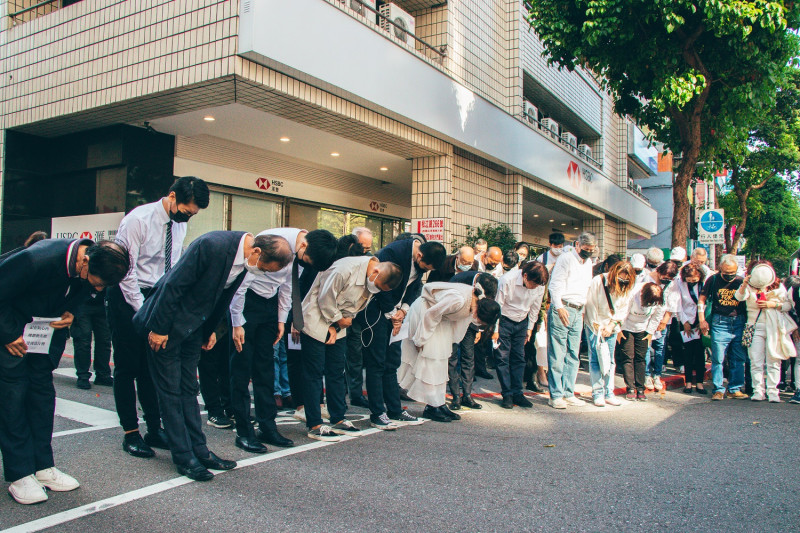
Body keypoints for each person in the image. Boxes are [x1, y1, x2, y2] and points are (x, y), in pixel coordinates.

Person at [133, 231, 293, 480]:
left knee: (188, 389)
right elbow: (173, 285)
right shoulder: (212, 245)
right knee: (171, 393)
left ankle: (200, 450)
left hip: (193, 327)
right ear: (257, 252)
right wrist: (160, 328)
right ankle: (184, 456)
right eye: (263, 268)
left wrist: (210, 331)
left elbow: (222, 298)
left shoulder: (245, 261)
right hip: (165, 325)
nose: (260, 272)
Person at [0, 239, 130, 505]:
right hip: (12, 334)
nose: (98, 289)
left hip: (43, 336)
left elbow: (81, 292)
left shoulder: (93, 264)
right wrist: (8, 333)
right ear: (84, 262)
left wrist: (71, 311)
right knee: (12, 401)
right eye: (96, 282)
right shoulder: (35, 260)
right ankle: (20, 474)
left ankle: (42, 466)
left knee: (42, 399)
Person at [108, 176, 209, 459]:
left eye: (192, 214)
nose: (187, 217)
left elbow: (173, 267)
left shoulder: (179, 224)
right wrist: (146, 315)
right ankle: (130, 433)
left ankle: (155, 429)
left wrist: (166, 306)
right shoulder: (137, 220)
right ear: (172, 196)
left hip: (157, 295)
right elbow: (125, 273)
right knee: (128, 368)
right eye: (187, 210)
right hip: (127, 296)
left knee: (152, 367)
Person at [229, 229, 337, 453]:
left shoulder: (303, 253)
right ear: (304, 247)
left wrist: (281, 320)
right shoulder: (271, 240)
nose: (305, 264)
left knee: (265, 368)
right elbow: (240, 285)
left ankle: (267, 426)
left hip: (270, 305)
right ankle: (244, 431)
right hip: (246, 302)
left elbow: (288, 287)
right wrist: (236, 322)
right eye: (306, 260)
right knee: (241, 367)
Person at [300, 256, 403, 441]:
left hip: (339, 323)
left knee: (336, 371)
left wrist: (337, 326)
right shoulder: (344, 269)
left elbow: (355, 307)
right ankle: (314, 423)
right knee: (314, 372)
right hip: (316, 318)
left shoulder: (372, 279)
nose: (377, 290)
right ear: (376, 272)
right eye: (378, 286)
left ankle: (338, 418)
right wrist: (335, 321)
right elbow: (325, 298)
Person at [354, 238, 446, 429]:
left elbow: (414, 287)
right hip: (377, 310)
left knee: (392, 362)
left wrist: (403, 311)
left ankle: (395, 409)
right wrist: (392, 315)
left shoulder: (421, 262)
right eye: (425, 266)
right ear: (419, 254)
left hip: (397, 312)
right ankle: (377, 412)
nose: (425, 270)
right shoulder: (393, 252)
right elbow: (381, 287)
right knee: (376, 363)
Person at [398, 282, 501, 422]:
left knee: (442, 360)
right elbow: (431, 314)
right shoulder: (457, 300)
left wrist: (451, 341)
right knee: (432, 359)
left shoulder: (477, 301)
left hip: (441, 320)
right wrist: (420, 339)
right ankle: (432, 406)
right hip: (425, 315)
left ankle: (439, 403)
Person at [547, 232, 597, 408]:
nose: (588, 252)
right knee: (558, 352)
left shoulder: (588, 262)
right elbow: (555, 284)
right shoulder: (566, 259)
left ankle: (569, 391)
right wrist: (559, 306)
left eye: (591, 250)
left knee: (573, 354)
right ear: (577, 245)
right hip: (564, 306)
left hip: (578, 309)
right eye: (586, 249)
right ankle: (556, 394)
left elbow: (587, 287)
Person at [736, 262, 796, 402]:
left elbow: (787, 305)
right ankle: (758, 390)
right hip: (753, 326)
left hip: (773, 327)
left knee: (774, 360)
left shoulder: (778, 286)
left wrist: (772, 304)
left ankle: (773, 391)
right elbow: (739, 297)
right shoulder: (749, 286)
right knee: (755, 361)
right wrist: (745, 284)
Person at [495, 261, 549, 409]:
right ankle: (507, 394)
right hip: (504, 320)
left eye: (538, 286)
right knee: (502, 358)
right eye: (533, 284)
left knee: (519, 358)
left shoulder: (540, 285)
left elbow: (535, 307)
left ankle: (517, 393)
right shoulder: (507, 280)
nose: (534, 288)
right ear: (525, 276)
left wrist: (530, 328)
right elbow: (498, 304)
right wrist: (495, 329)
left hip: (522, 322)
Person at [583, 261, 636, 406]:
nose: (622, 281)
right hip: (595, 324)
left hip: (612, 325)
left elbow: (623, 308)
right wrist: (599, 327)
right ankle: (597, 393)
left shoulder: (627, 287)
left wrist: (612, 325)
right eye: (620, 277)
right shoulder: (598, 281)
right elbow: (591, 305)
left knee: (610, 360)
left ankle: (608, 392)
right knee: (595, 359)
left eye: (626, 279)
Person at [698, 255, 750, 401]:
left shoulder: (740, 281)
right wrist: (702, 319)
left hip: (738, 321)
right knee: (718, 358)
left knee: (738, 358)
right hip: (719, 321)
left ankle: (734, 388)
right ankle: (718, 389)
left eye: (732, 273)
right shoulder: (713, 280)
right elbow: (702, 299)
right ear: (720, 269)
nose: (729, 276)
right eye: (726, 273)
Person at [448, 272, 498, 410]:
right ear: (478, 284)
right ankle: (455, 396)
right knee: (452, 359)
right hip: (454, 321)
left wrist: (478, 329)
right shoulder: (458, 279)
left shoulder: (491, 285)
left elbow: (486, 310)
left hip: (472, 324)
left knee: (469, 358)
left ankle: (467, 395)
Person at [618, 282, 666, 400]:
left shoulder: (659, 299)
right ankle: (630, 387)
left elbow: (657, 316)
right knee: (628, 357)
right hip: (626, 326)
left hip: (643, 328)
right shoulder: (633, 294)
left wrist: (650, 332)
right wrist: (619, 329)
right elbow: (623, 312)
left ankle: (640, 387)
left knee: (641, 357)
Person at [640, 261, 680, 391]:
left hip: (663, 319)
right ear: (659, 271)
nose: (666, 280)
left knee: (660, 347)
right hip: (647, 317)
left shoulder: (673, 284)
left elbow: (672, 302)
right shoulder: (647, 279)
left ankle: (657, 374)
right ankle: (646, 375)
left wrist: (664, 320)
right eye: (665, 277)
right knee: (646, 346)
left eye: (669, 278)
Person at [675, 263, 708, 394]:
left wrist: (702, 320)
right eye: (689, 279)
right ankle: (688, 382)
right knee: (688, 353)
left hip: (701, 321)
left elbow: (706, 302)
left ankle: (699, 383)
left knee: (700, 353)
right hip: (686, 320)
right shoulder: (680, 284)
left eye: (694, 279)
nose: (692, 281)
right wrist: (684, 322)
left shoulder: (704, 284)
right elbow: (678, 304)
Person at [70, 289, 112, 389]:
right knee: (83, 339)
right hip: (82, 299)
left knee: (104, 340)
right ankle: (83, 376)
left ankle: (103, 374)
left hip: (103, 300)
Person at [198, 321, 234, 428]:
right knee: (208, 370)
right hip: (210, 324)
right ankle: (214, 411)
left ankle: (230, 407)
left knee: (227, 368)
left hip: (227, 325)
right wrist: (208, 330)